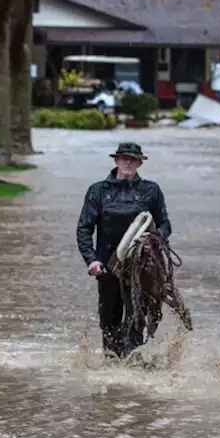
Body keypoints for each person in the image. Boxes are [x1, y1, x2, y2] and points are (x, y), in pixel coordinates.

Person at [76, 142, 172, 358]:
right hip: (107, 267)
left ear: (139, 162)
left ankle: (131, 367)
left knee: (136, 319)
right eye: (124, 158)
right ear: (116, 161)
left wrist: (153, 238)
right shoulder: (98, 191)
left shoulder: (151, 190)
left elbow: (165, 225)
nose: (128, 162)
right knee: (109, 320)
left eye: (133, 159)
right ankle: (111, 365)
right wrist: (91, 261)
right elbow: (84, 228)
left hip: (140, 268)